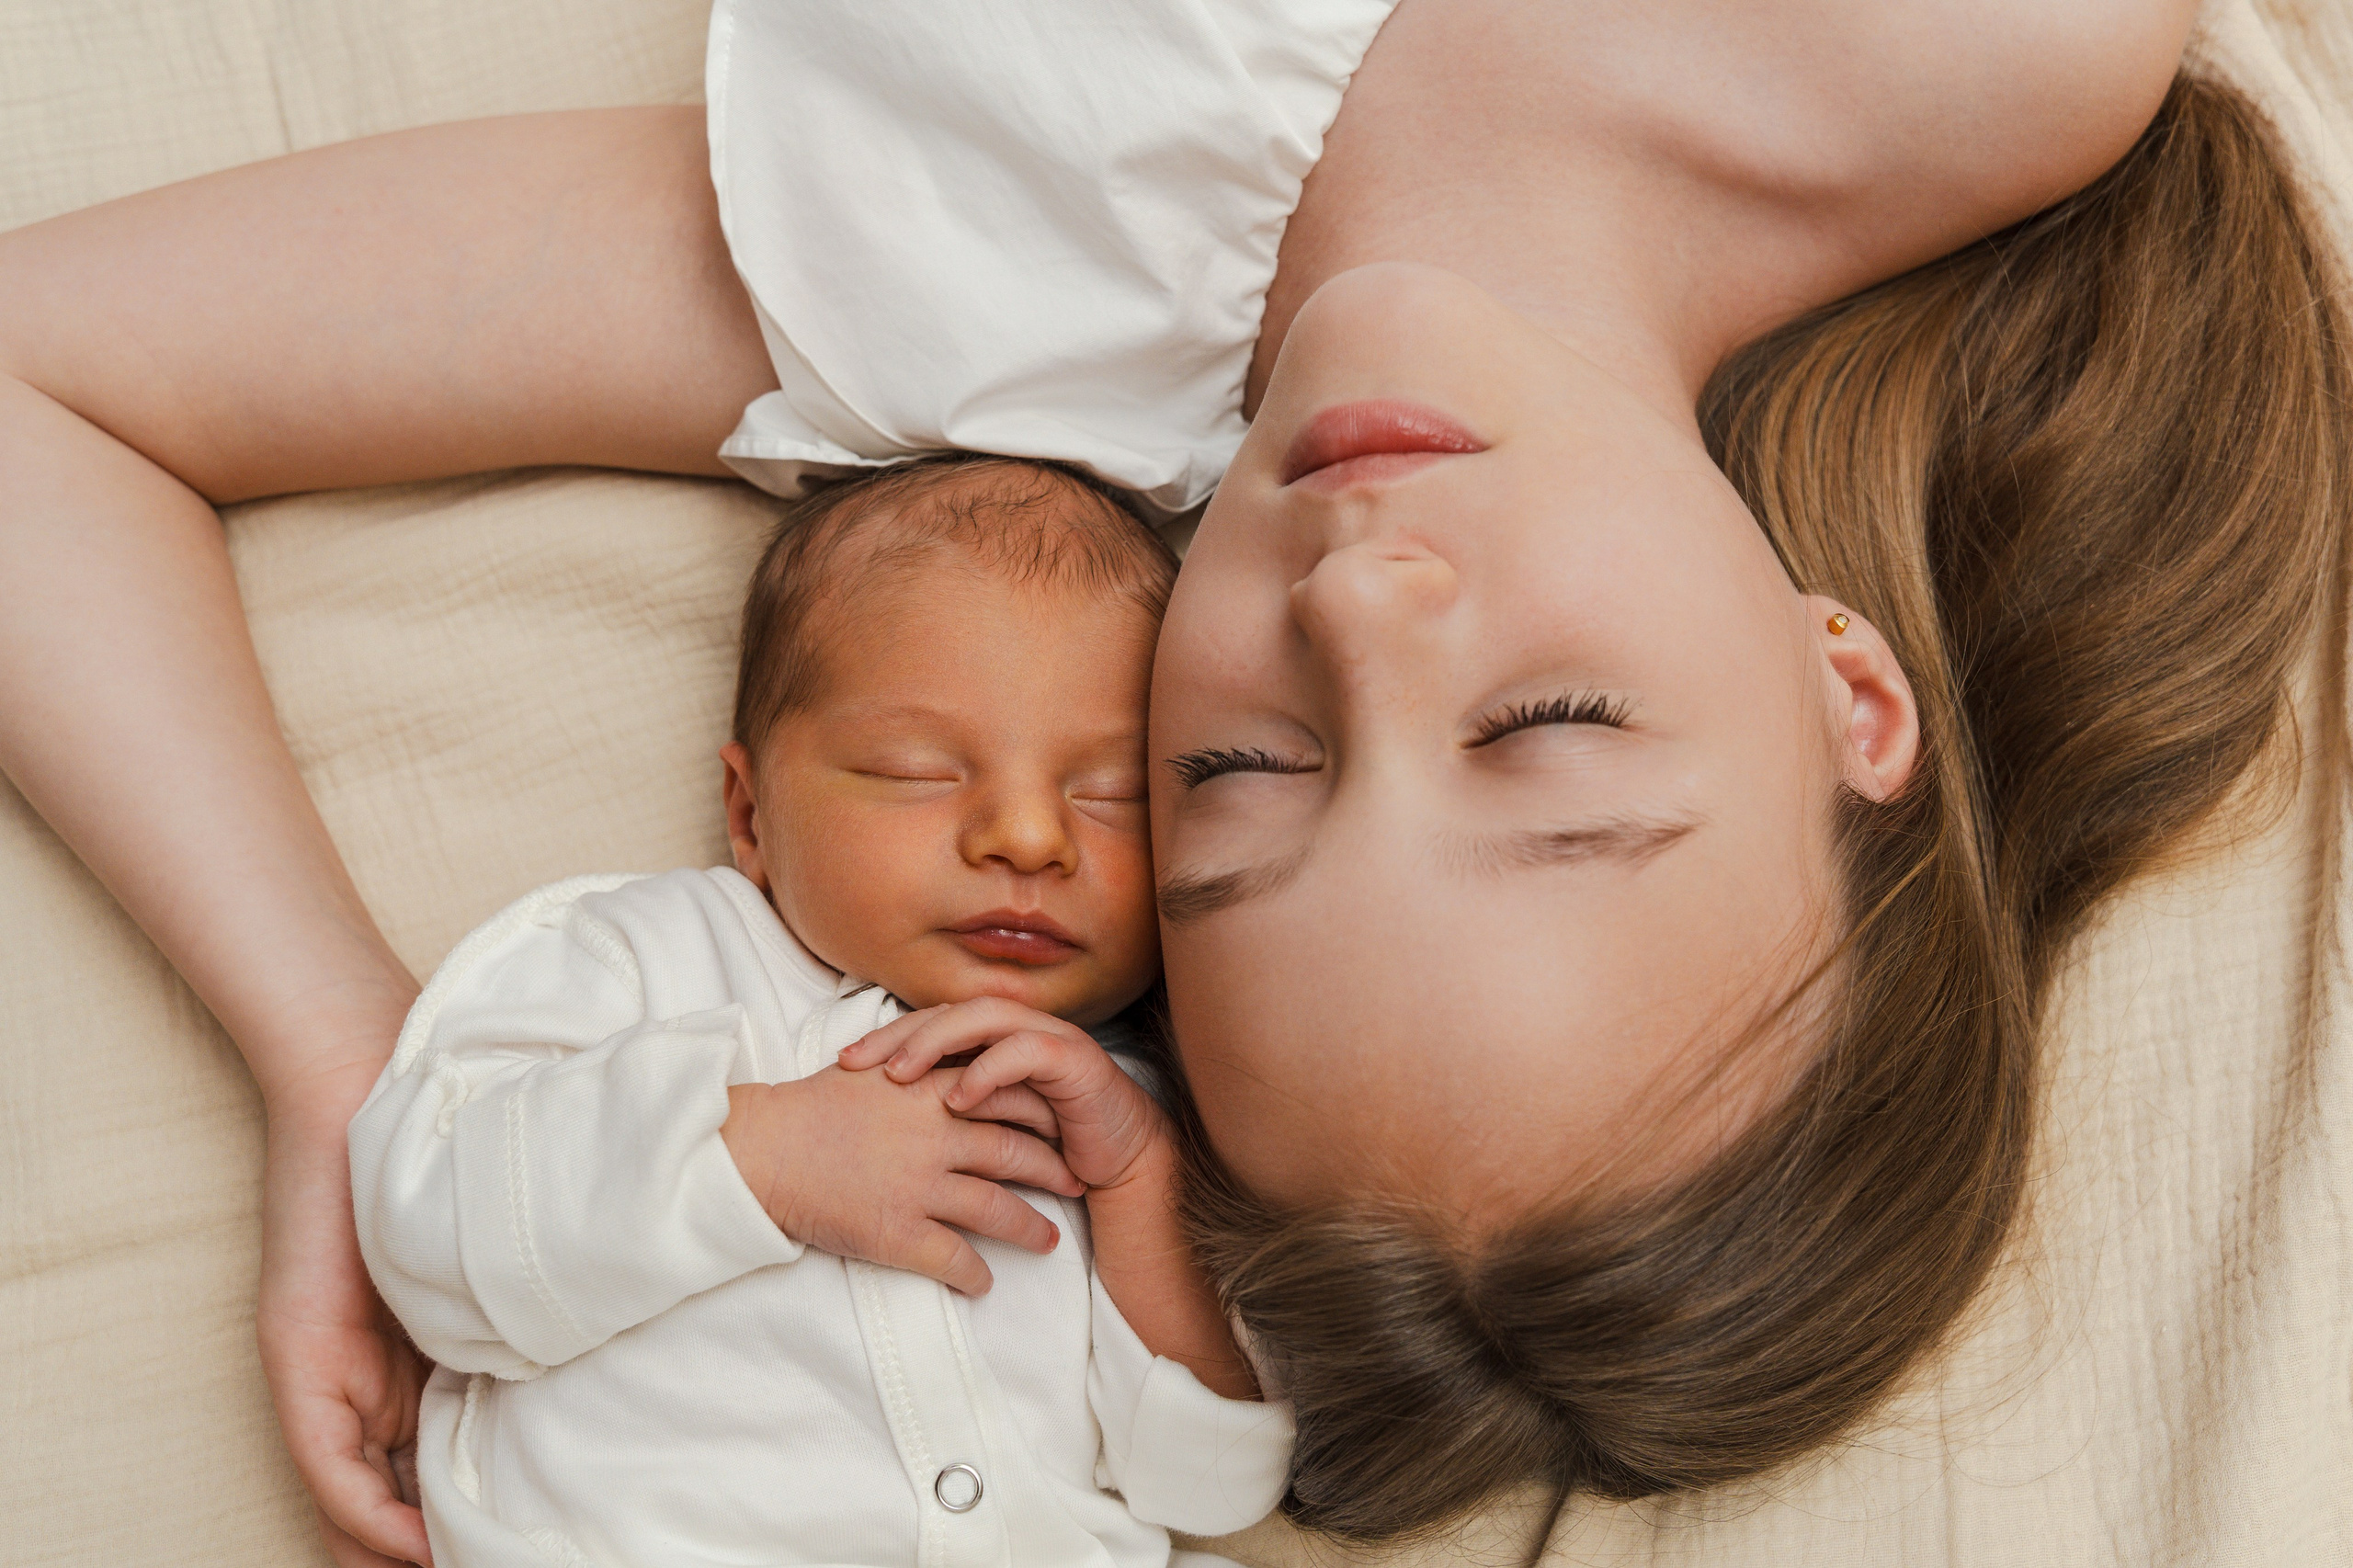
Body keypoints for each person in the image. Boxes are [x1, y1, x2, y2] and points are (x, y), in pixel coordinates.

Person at [2, 2, 2341, 1564]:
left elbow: (37, 384)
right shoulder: (1972, 53)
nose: (1356, 602)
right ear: (1843, 691)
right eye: (1550, 732)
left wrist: (346, 1060)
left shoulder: (919, 303)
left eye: (1231, 774)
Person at [348, 458, 1293, 1566]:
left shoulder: (1137, 1098)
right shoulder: (637, 956)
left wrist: (1137, 1181)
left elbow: (1216, 1485)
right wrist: (762, 1153)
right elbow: (429, 1236)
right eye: (915, 771)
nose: (1032, 838)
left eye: (1114, 791)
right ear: (749, 813)